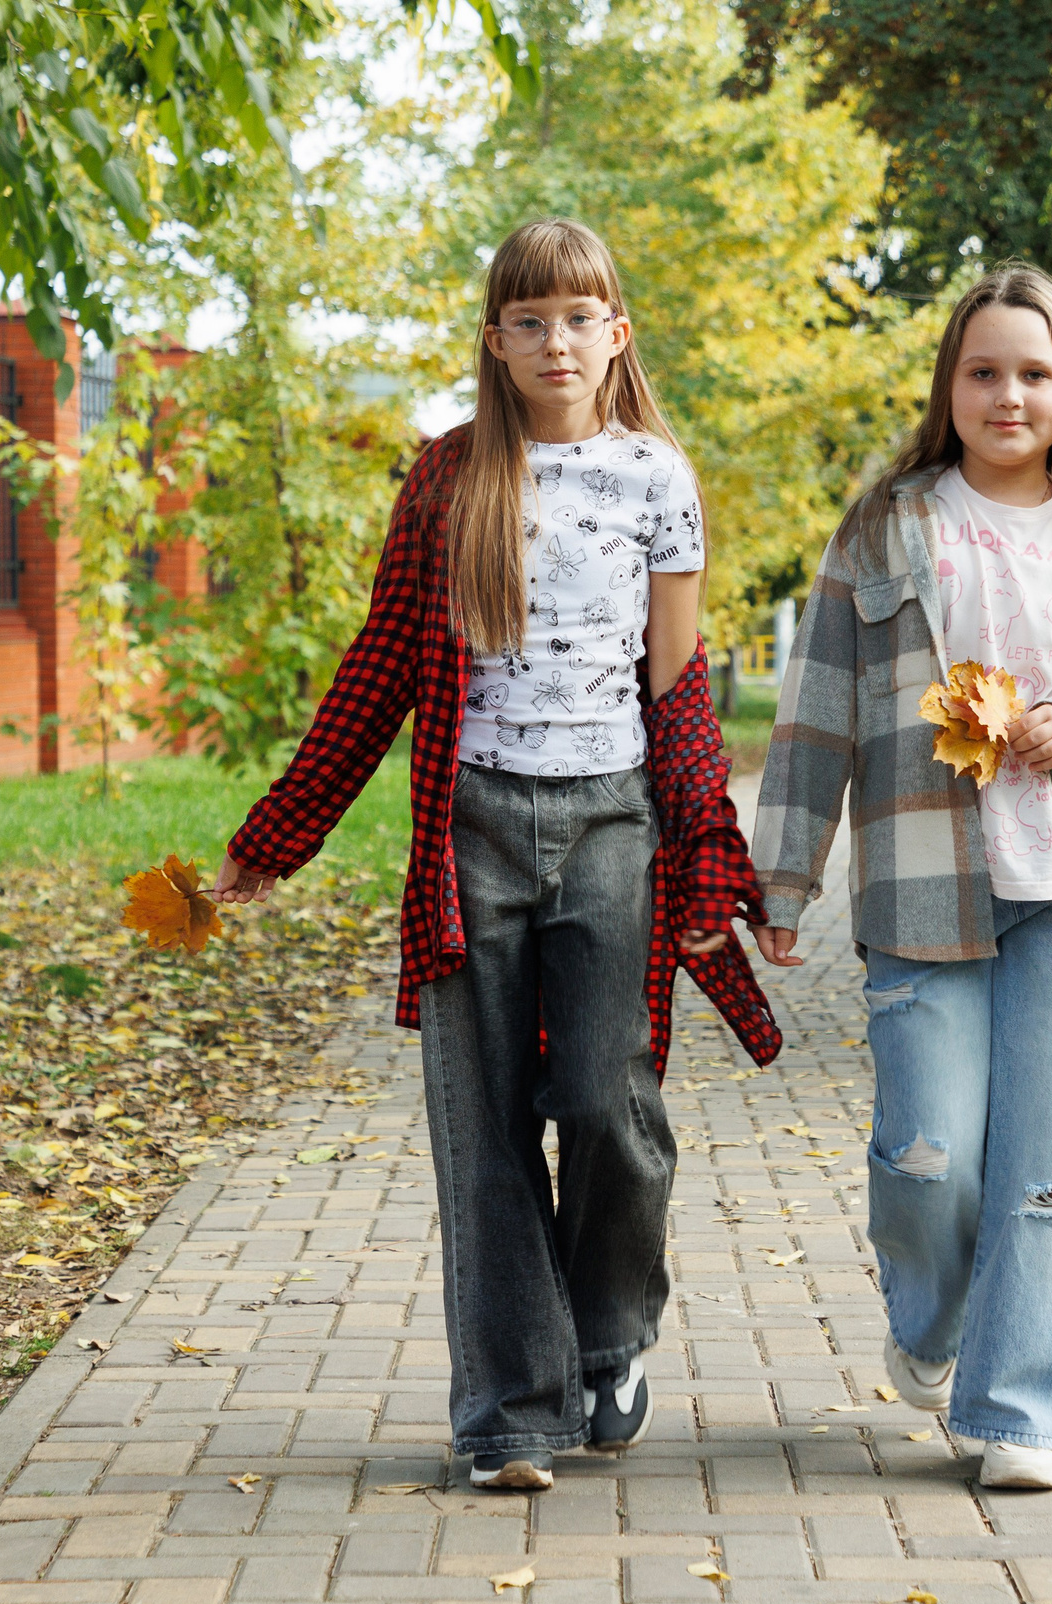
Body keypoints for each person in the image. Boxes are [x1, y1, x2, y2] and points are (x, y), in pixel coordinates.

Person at [212, 218, 779, 1492]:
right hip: (469, 828)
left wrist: (705, 858)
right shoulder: (450, 474)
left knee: (604, 1102)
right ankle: (511, 1416)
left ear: (614, 333)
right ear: (496, 339)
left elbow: (678, 689)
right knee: (482, 1129)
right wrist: (278, 836)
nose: (555, 341)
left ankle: (610, 1337)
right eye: (529, 320)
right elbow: (384, 666)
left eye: (579, 318)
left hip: (613, 824)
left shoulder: (657, 479)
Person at [748, 264, 1052, 1491]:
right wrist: (783, 879)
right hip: (920, 883)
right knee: (928, 1157)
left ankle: (1027, 1417)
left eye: (1036, 374)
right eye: (984, 372)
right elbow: (819, 713)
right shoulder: (890, 524)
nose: (1010, 395)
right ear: (949, 387)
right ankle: (933, 1321)